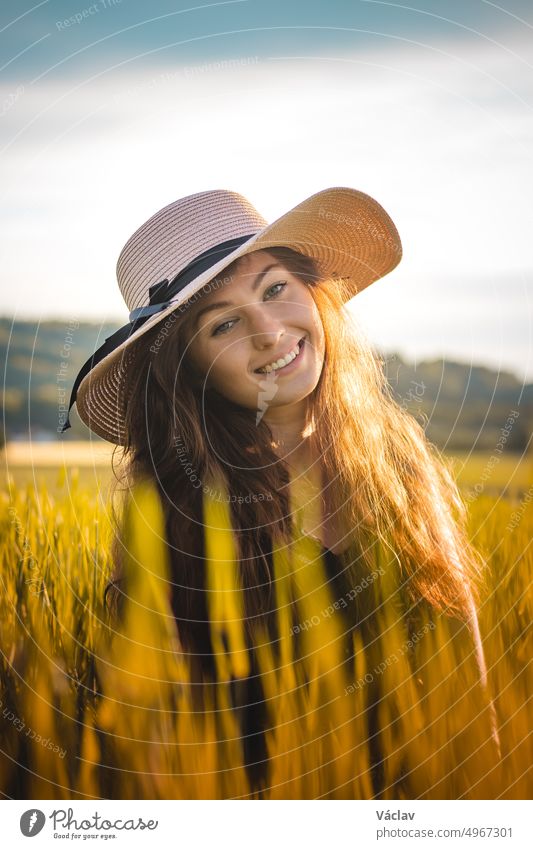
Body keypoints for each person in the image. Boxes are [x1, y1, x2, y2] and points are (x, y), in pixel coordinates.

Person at [61, 188, 500, 798]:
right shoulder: (176, 516)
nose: (268, 332)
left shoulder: (399, 465)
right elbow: (160, 755)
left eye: (274, 289)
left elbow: (471, 688)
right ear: (191, 367)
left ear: (313, 292)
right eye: (224, 324)